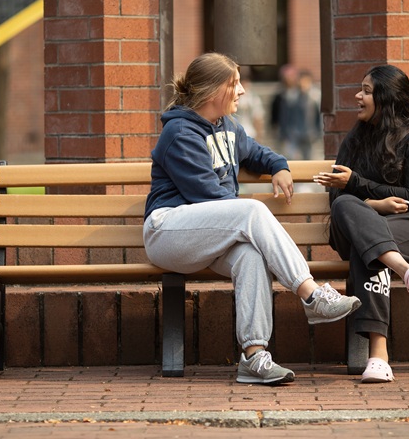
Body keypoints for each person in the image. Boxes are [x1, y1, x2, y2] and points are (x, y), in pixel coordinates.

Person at [143, 52, 361, 385]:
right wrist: (249, 220)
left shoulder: (228, 127)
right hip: (168, 232)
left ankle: (254, 357)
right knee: (252, 210)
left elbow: (257, 152)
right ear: (214, 91)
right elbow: (208, 195)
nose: (242, 91)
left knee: (251, 256)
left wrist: (279, 166)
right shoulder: (179, 134)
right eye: (235, 83)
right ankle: (311, 295)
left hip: (211, 233)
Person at [313, 64, 409, 384]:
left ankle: (378, 356)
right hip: (361, 225)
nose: (358, 96)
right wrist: (373, 205)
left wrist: (358, 185)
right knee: (348, 205)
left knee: (368, 247)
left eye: (367, 91)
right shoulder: (357, 138)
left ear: (385, 99)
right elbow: (337, 197)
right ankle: (404, 270)